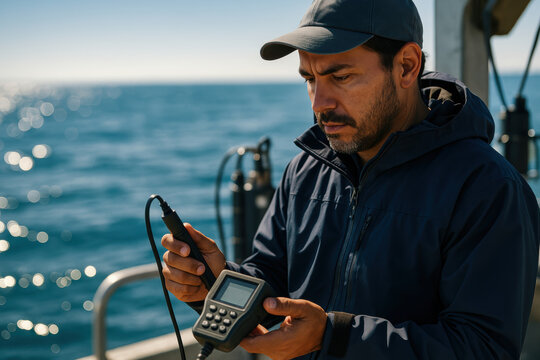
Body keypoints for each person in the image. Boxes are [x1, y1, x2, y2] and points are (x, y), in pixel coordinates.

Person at [161, 0, 540, 358]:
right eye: (309, 78)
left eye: (340, 76)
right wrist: (214, 282)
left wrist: (334, 336)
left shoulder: (487, 187)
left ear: (407, 66)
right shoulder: (305, 170)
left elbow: (483, 348)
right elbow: (271, 277)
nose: (318, 102)